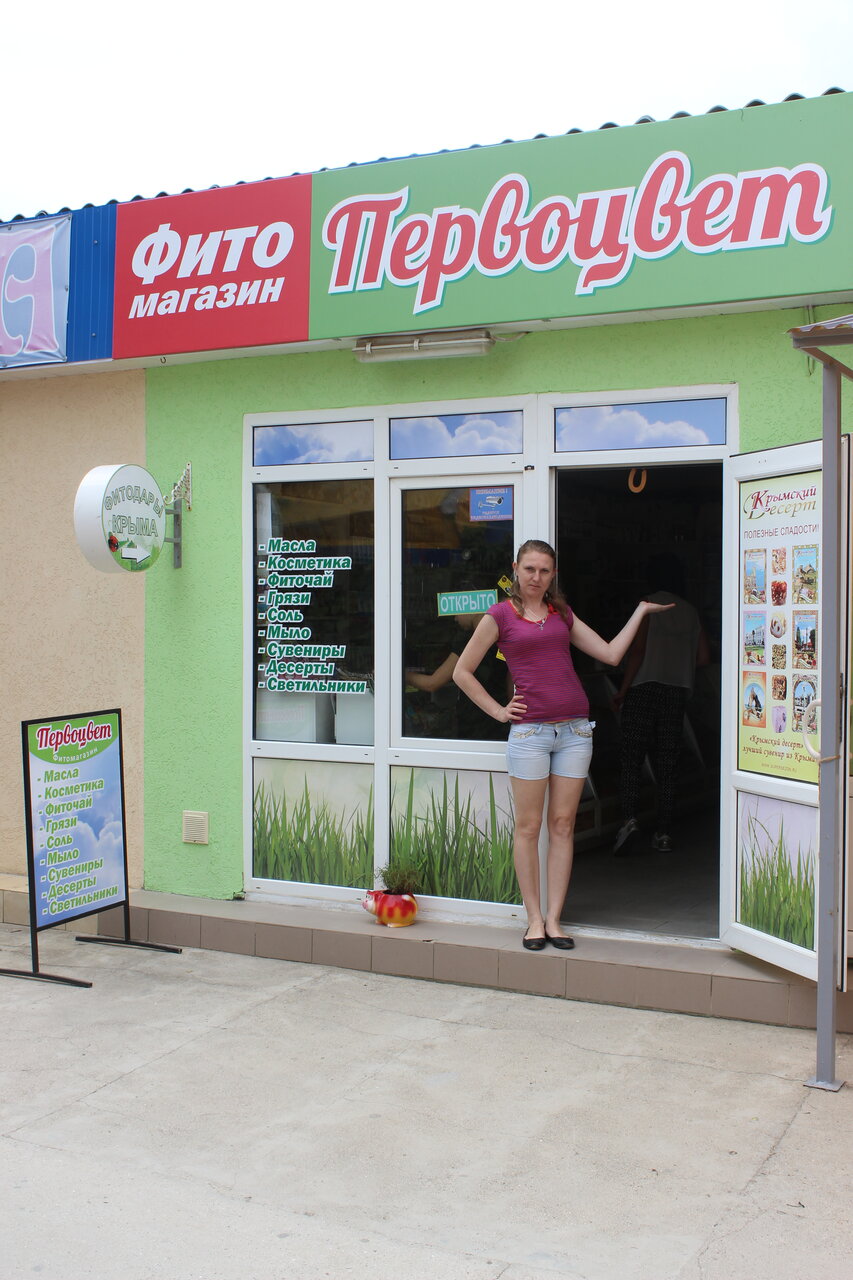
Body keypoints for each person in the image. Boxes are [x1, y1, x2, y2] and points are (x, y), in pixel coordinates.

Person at [453, 539, 673, 951]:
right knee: (528, 827)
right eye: (530, 569)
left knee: (562, 826)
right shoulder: (499, 615)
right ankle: (533, 920)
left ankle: (555, 919)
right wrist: (499, 711)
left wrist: (640, 611)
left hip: (575, 732)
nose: (536, 577)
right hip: (530, 735)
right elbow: (462, 672)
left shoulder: (561, 613)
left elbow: (610, 654)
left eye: (544, 571)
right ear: (515, 568)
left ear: (553, 574)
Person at [612, 556, 710, 856]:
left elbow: (638, 650)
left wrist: (622, 690)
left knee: (632, 757)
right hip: (676, 691)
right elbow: (703, 658)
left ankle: (630, 821)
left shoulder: (647, 605)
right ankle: (664, 832)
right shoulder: (690, 611)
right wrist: (678, 664)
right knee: (668, 762)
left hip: (643, 687)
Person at [405, 613, 508, 740]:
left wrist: (402, 675)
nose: (455, 618)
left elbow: (432, 683)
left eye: (457, 613)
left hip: (475, 720)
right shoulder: (504, 636)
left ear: (471, 607)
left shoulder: (468, 641)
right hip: (500, 719)